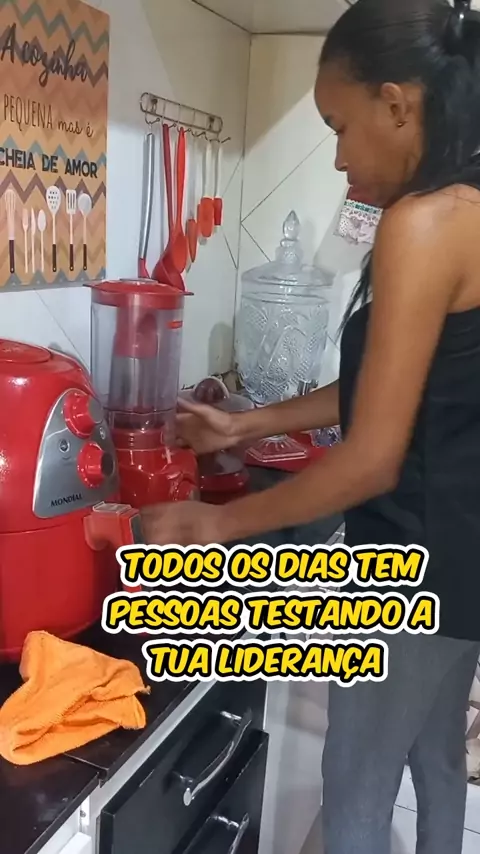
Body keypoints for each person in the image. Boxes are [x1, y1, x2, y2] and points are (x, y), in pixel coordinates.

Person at [141, 1, 480, 851]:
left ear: (397, 104)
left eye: (339, 125)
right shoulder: (468, 204)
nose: (337, 157)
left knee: (356, 786)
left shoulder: (426, 223)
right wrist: (243, 427)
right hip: (463, 557)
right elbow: (392, 386)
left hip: (415, 569)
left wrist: (215, 525)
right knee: (437, 759)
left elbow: (370, 459)